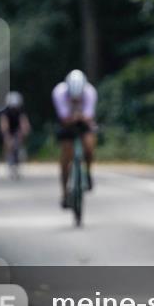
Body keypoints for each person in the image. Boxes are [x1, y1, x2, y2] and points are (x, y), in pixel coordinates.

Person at [52, 70, 97, 208]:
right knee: (66, 156)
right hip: (66, 124)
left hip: (83, 123)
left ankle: (88, 172)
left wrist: (80, 117)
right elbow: (64, 118)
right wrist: (76, 117)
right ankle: (65, 193)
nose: (76, 100)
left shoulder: (90, 92)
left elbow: (89, 116)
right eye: (73, 97)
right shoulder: (59, 92)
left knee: (89, 147)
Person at [0, 91, 31, 177]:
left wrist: (25, 131)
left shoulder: (21, 111)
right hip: (8, 129)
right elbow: (4, 124)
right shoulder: (5, 112)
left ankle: (19, 159)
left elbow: (24, 122)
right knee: (8, 144)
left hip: (17, 129)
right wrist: (6, 136)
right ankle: (9, 162)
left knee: (19, 141)